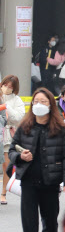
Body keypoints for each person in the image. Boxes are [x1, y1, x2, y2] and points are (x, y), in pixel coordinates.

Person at [8, 89, 65, 232]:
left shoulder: (60, 128)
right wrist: (20, 157)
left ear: (51, 105)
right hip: (29, 182)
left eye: (43, 102)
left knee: (51, 224)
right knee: (29, 225)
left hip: (50, 182)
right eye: (36, 101)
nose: (39, 105)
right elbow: (11, 150)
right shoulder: (25, 126)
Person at [0, 75, 26, 205]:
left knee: (6, 164)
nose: (7, 88)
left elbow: (17, 118)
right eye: (5, 85)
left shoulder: (17, 100)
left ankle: (3, 192)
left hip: (8, 135)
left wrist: (5, 106)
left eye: (10, 87)